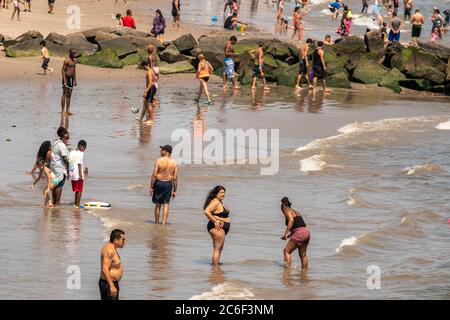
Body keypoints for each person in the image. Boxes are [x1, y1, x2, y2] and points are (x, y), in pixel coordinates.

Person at [150, 145, 178, 226]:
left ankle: (156, 223)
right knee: (166, 205)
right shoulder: (174, 163)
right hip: (168, 184)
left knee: (158, 204)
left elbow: (154, 175)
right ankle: (163, 224)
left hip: (159, 183)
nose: (160, 151)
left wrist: (151, 187)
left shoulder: (158, 160)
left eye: (162, 150)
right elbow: (175, 178)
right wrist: (175, 190)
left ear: (166, 151)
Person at [203, 186, 231, 267]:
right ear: (216, 194)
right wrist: (215, 221)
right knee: (217, 249)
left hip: (221, 228)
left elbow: (213, 213)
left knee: (219, 249)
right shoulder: (215, 202)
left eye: (224, 192)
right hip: (217, 228)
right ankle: (216, 269)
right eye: (221, 193)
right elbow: (206, 211)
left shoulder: (219, 202)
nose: (223, 194)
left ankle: (216, 266)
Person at [280, 197, 310, 269]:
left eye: (281, 210)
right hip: (306, 232)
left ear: (283, 208)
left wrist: (285, 234)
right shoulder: (296, 212)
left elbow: (291, 221)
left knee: (286, 251)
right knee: (303, 255)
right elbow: (299, 226)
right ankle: (304, 272)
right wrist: (290, 235)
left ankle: (287, 272)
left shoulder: (287, 210)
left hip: (299, 233)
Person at [99, 229, 125, 301]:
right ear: (116, 240)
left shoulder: (112, 248)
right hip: (108, 284)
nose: (124, 242)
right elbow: (104, 268)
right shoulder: (110, 250)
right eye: (123, 240)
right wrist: (112, 286)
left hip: (109, 283)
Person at [50, 127, 70, 206]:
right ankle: (57, 203)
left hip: (54, 166)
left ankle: (54, 201)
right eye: (66, 138)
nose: (67, 140)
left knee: (54, 184)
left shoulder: (55, 143)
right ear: (63, 136)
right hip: (60, 168)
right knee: (59, 185)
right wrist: (69, 166)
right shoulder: (61, 145)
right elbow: (65, 157)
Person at [69, 140, 88, 208]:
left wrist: (69, 174)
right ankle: (77, 205)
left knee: (77, 189)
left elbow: (70, 163)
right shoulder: (80, 153)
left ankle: (75, 204)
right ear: (80, 146)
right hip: (77, 173)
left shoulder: (71, 152)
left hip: (72, 173)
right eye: (84, 148)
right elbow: (79, 164)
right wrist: (80, 175)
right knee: (79, 189)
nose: (84, 150)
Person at [61, 49, 77, 116]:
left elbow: (74, 71)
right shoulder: (66, 60)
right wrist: (64, 81)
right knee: (64, 94)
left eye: (75, 53)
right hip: (66, 79)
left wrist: (75, 80)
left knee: (69, 95)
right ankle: (62, 111)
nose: (74, 54)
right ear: (70, 53)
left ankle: (67, 110)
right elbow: (63, 71)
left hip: (71, 79)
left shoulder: (75, 61)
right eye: (73, 53)